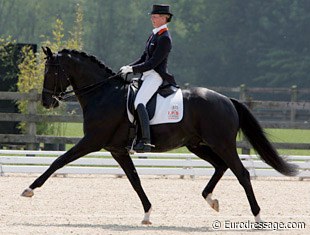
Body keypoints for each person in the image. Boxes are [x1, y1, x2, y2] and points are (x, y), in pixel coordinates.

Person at [120, 4, 176, 152]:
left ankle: (146, 141)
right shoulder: (154, 35)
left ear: (165, 18)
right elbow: (143, 58)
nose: (153, 18)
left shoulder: (165, 38)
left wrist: (133, 69)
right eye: (152, 16)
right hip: (146, 75)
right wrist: (128, 67)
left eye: (156, 16)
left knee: (139, 102)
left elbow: (152, 63)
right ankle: (131, 137)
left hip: (156, 76)